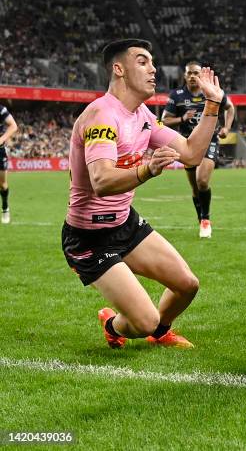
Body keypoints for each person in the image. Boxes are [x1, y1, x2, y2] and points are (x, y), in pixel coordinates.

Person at [61, 38, 224, 349]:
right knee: (142, 321)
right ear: (119, 69)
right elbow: (101, 180)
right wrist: (147, 170)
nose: (154, 69)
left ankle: (159, 333)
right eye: (143, 61)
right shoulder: (102, 115)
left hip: (125, 224)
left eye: (152, 62)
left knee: (187, 285)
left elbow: (190, 154)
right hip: (89, 237)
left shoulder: (143, 116)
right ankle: (113, 324)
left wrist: (212, 106)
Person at [162, 60, 235, 238]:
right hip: (187, 144)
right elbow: (164, 120)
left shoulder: (210, 90)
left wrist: (226, 127)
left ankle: (206, 219)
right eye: (189, 73)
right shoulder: (177, 95)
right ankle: (200, 219)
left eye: (196, 73)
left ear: (201, 75)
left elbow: (230, 107)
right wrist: (182, 119)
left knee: (202, 180)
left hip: (209, 140)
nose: (193, 76)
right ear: (185, 76)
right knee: (195, 188)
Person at [0, 104, 19, 224]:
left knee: (2, 184)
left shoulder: (0, 109)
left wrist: (1, 139)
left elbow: (13, 125)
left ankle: (5, 208)